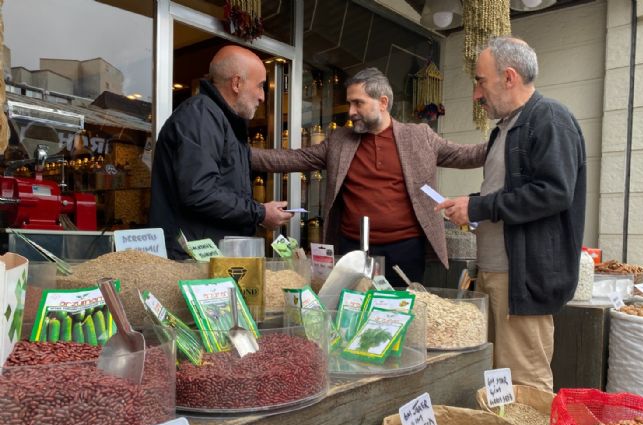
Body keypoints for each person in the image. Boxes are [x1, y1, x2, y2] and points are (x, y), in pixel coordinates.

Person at [436, 36, 586, 391]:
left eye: (480, 80)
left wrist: (480, 206)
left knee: (524, 387)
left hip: (521, 279)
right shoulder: (504, 128)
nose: (476, 93)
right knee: (497, 383)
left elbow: (554, 192)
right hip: (495, 274)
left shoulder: (549, 118)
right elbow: (506, 196)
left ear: (509, 77)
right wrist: (469, 206)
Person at [250, 67, 487, 287]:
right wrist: (237, 152)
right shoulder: (340, 140)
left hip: (405, 251)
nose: (351, 111)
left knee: (397, 315)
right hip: (352, 250)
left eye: (358, 103)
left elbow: (466, 155)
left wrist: (504, 139)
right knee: (352, 315)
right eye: (350, 103)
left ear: (383, 102)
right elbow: (291, 159)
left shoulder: (419, 136)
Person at [149, 45, 292, 259]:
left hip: (207, 259)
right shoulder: (201, 116)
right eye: (260, 86)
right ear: (236, 83)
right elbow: (200, 192)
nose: (262, 97)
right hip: (189, 263)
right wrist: (260, 213)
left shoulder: (221, 120)